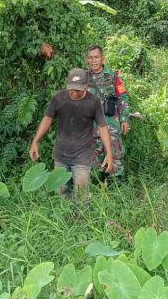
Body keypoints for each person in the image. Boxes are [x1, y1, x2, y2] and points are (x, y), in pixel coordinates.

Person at [29, 68, 115, 196]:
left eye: (78, 90)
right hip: (60, 155)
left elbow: (102, 127)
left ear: (86, 86)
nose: (74, 93)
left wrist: (109, 153)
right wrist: (35, 142)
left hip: (82, 157)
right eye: (71, 89)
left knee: (81, 196)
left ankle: (80, 210)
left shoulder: (93, 101)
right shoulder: (59, 98)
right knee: (61, 195)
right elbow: (47, 119)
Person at [85, 44, 132, 181]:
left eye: (96, 57)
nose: (93, 61)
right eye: (90, 58)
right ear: (87, 59)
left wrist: (124, 118)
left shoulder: (113, 76)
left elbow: (123, 96)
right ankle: (97, 182)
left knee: (115, 153)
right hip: (91, 125)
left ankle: (116, 183)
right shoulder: (83, 78)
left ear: (102, 58)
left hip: (110, 122)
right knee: (93, 156)